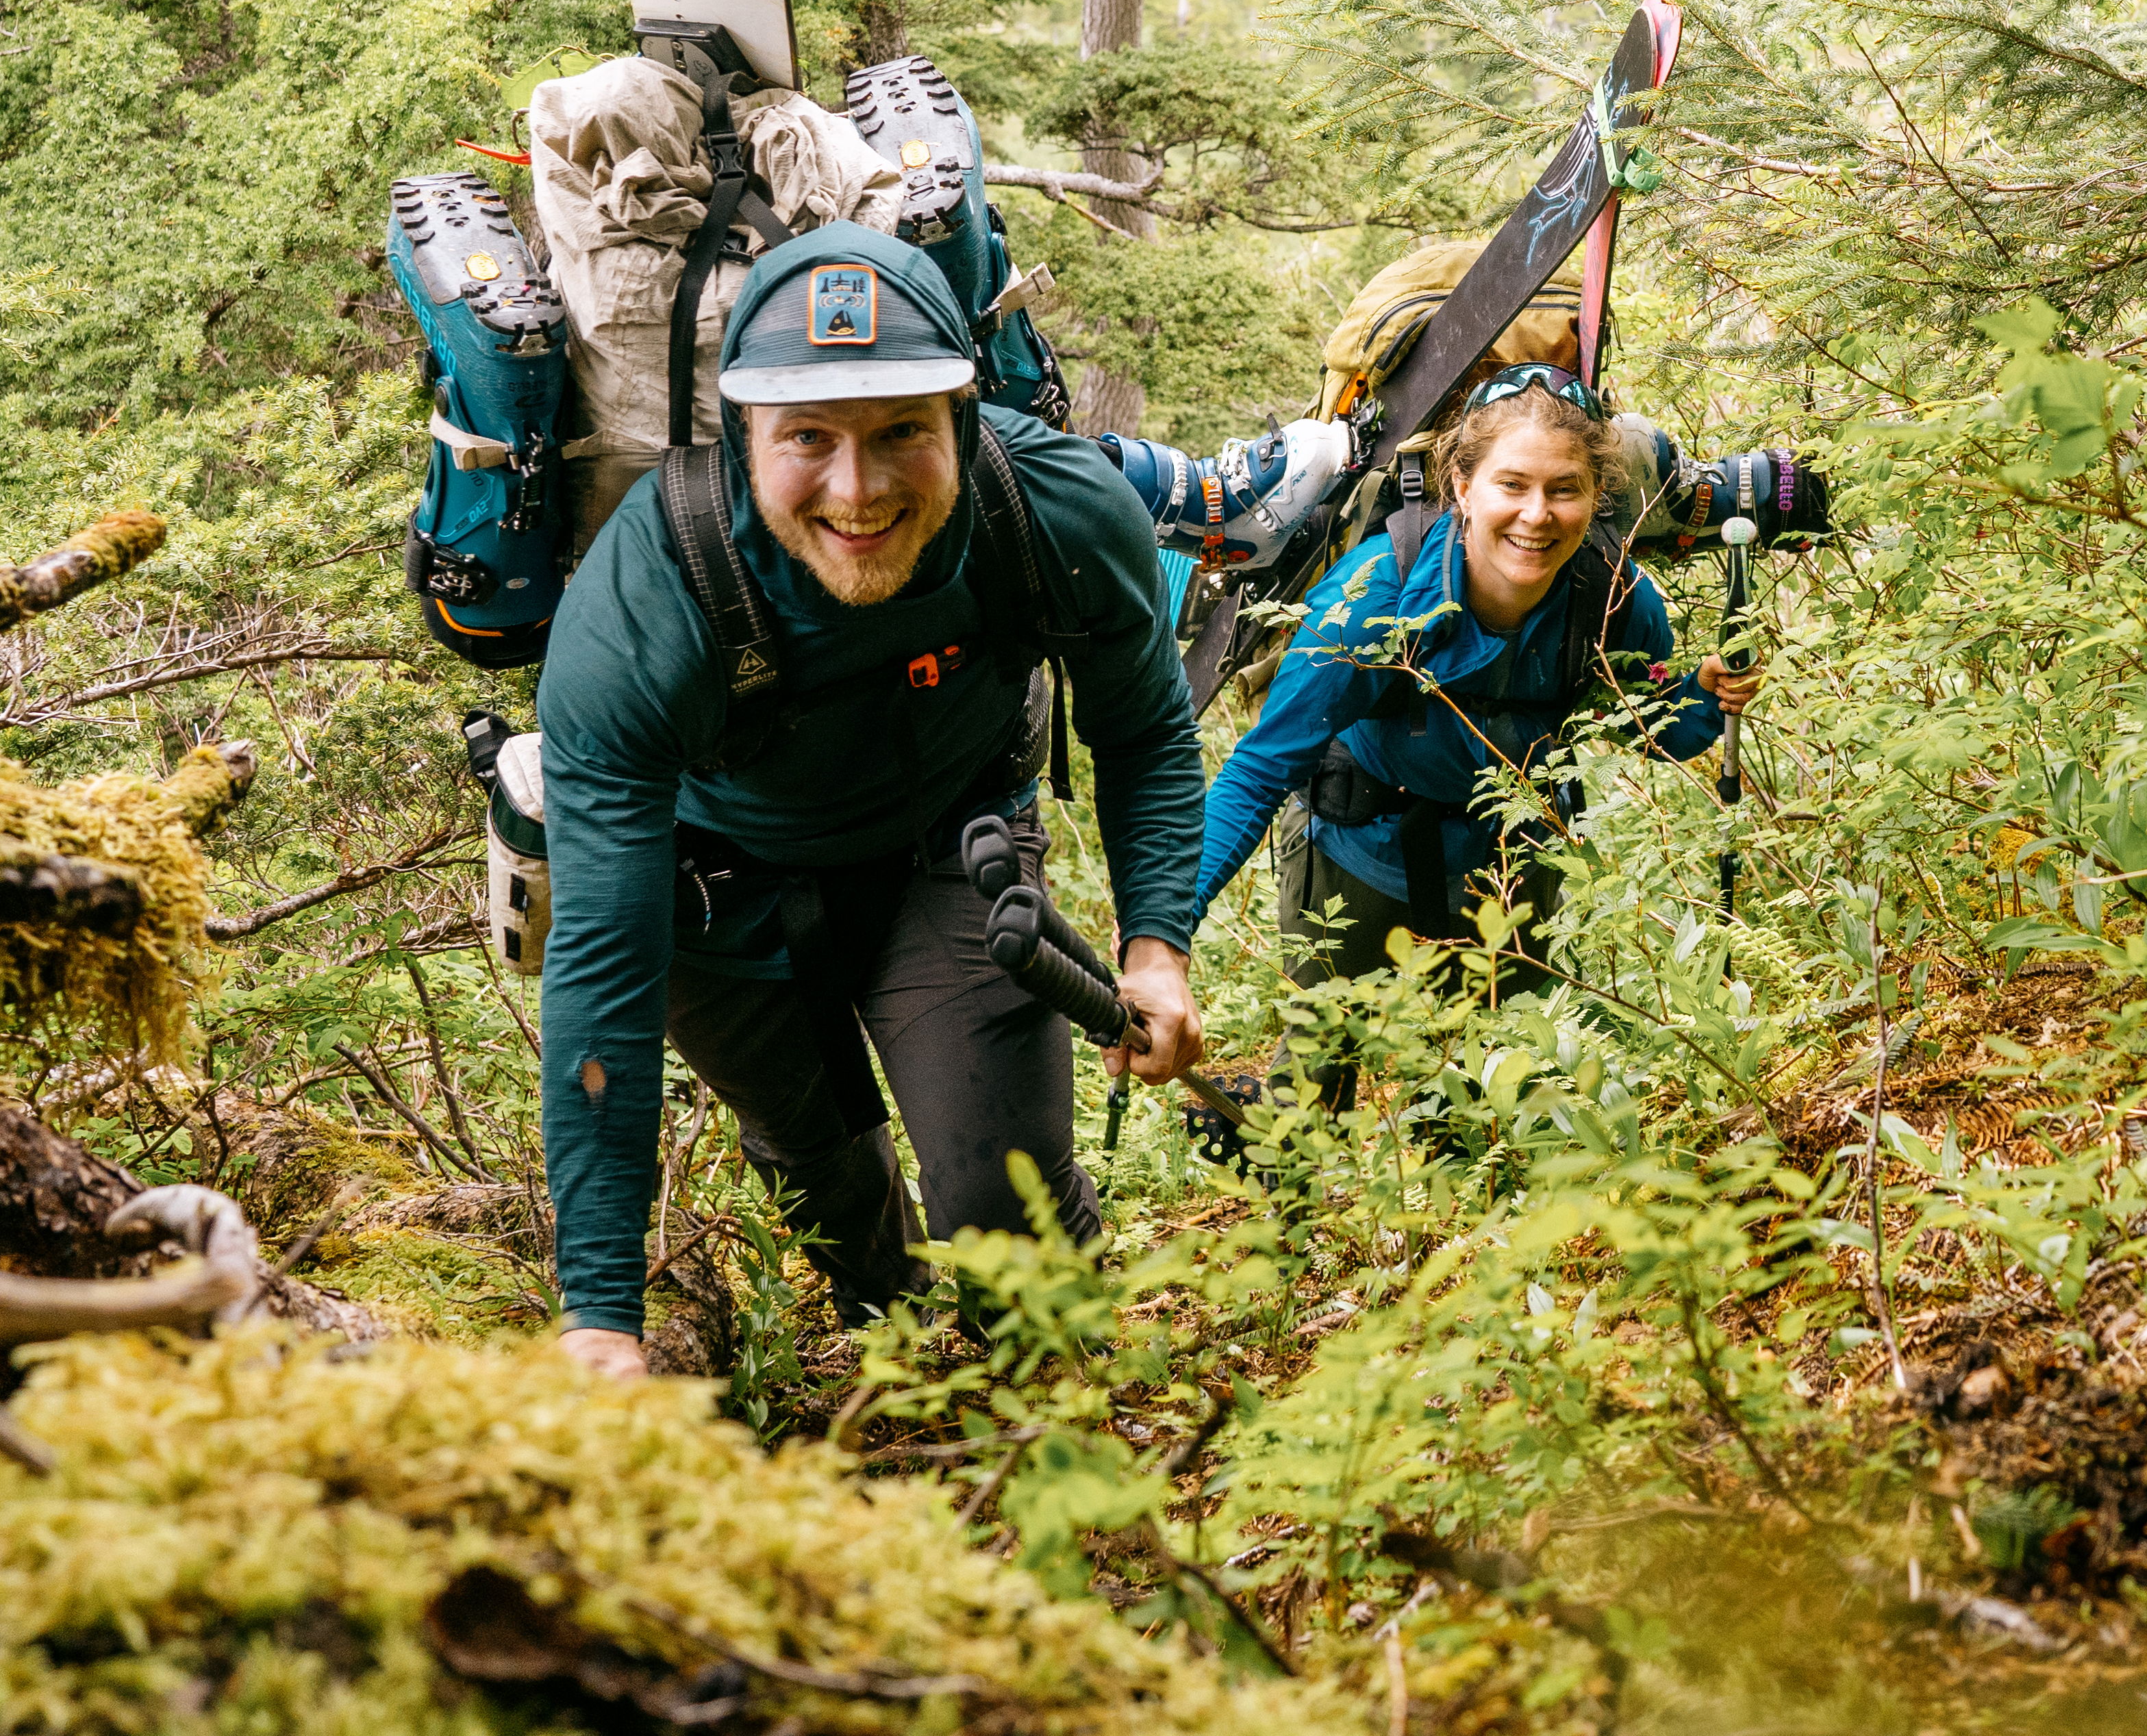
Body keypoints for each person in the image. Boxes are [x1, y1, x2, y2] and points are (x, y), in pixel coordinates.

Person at [532, 225, 1207, 1376]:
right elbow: (604, 962)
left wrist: (1156, 949)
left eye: (902, 430)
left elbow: (1144, 729)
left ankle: (1059, 1435)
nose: (858, 490)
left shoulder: (1059, 513)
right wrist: (601, 1314)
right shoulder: (645, 605)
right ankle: (889, 1364)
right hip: (718, 909)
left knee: (1011, 1215)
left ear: (966, 415)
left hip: (948, 860)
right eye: (809, 438)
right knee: (831, 1196)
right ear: (746, 431)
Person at [1187, 363, 1766, 1099]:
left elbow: (1655, 728)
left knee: (1484, 1102)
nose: (1538, 514)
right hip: (1353, 851)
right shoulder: (1374, 596)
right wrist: (1167, 920)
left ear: (1597, 497)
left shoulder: (1613, 598)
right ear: (1462, 485)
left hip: (1505, 866)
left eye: (1565, 489)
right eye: (1513, 484)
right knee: (1313, 1089)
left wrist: (1705, 699)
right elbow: (1260, 769)